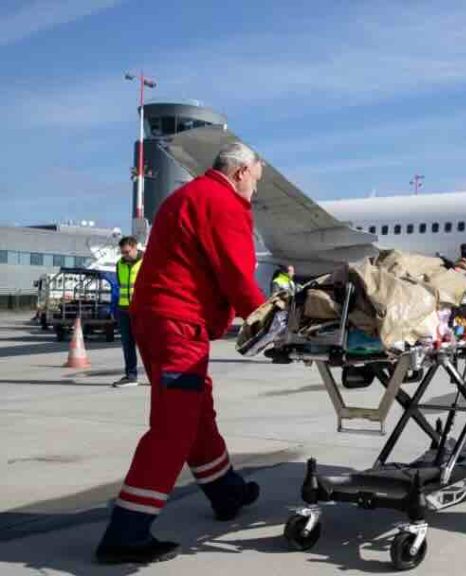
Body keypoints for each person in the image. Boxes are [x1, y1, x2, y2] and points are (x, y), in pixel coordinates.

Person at [95, 142, 268, 564]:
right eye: (257, 181)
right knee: (173, 427)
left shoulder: (187, 196)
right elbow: (236, 275)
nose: (255, 192)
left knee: (195, 411)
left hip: (156, 321)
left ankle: (226, 491)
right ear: (242, 171)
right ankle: (127, 530)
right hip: (178, 325)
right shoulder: (223, 203)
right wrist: (267, 320)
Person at [112, 236, 143, 388]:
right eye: (122, 253)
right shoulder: (120, 264)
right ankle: (131, 376)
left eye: (127, 252)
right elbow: (120, 286)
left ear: (135, 247)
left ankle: (157, 375)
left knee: (148, 344)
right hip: (124, 310)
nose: (124, 255)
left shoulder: (147, 262)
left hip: (142, 310)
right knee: (127, 344)